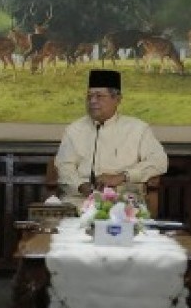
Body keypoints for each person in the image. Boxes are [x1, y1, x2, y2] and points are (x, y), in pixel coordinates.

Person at [54, 69, 168, 206]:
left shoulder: (138, 128)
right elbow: (64, 167)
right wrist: (81, 185)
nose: (93, 101)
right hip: (80, 200)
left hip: (124, 202)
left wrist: (122, 176)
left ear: (117, 99)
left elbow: (159, 161)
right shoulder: (74, 129)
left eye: (99, 96)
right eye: (89, 96)